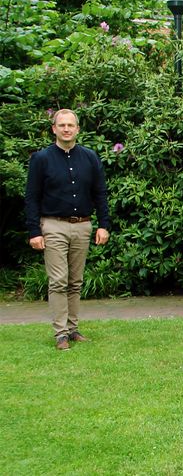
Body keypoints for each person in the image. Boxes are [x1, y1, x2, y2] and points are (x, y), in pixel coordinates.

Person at [25, 109, 111, 350]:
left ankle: (73, 329)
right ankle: (60, 333)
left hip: (82, 225)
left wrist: (104, 225)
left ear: (77, 129)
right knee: (58, 280)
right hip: (53, 225)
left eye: (70, 125)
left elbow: (100, 193)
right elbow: (32, 197)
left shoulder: (90, 157)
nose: (66, 129)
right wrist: (34, 231)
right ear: (54, 129)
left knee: (75, 281)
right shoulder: (41, 159)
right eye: (61, 125)